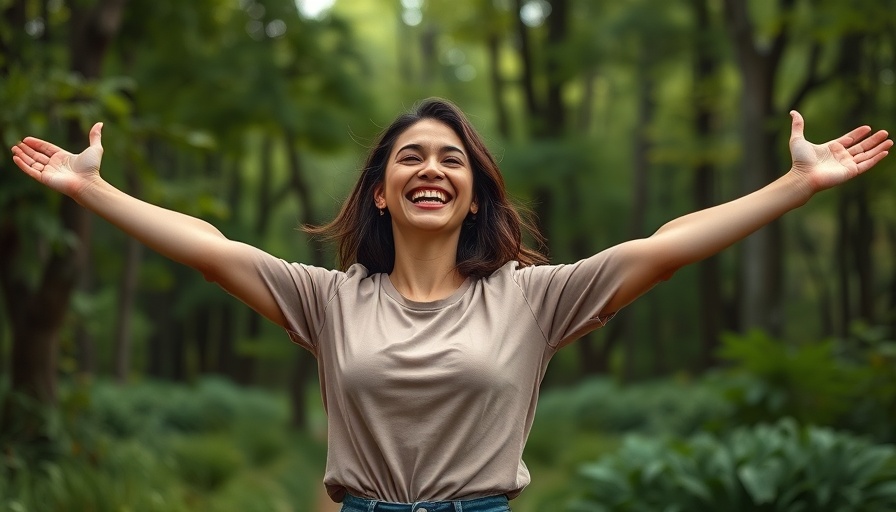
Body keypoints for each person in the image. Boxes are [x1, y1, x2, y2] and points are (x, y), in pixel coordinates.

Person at [10, 98, 892, 512]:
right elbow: (212, 250)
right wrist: (95, 195)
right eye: (410, 157)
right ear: (383, 194)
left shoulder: (535, 300)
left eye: (452, 159)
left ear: (473, 196)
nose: (431, 166)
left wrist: (795, 185)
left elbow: (660, 249)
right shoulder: (327, 300)